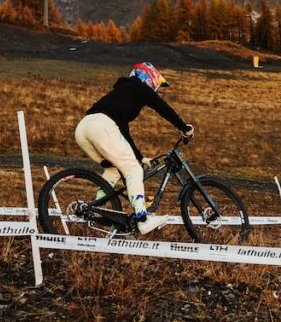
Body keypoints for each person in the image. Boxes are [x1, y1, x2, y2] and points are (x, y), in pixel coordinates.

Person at [74, 61, 194, 234]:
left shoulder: (122, 93)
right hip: (101, 126)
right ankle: (142, 219)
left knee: (115, 168)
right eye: (156, 84)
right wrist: (184, 127)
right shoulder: (139, 87)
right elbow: (162, 108)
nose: (155, 89)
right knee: (133, 170)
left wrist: (139, 156)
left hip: (84, 128)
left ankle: (95, 207)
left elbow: (123, 131)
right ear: (148, 78)